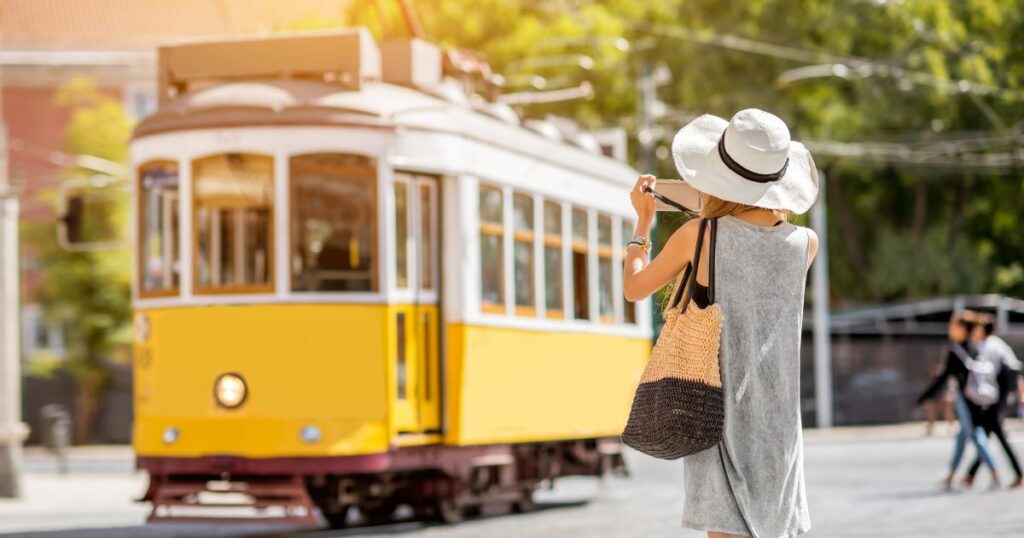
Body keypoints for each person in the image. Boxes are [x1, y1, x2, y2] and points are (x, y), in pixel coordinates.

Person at [623, 109, 820, 538]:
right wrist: (673, 193)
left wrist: (642, 224)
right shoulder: (805, 244)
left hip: (715, 412)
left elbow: (635, 287)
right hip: (779, 424)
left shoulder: (700, 235)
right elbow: (746, 214)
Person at [916, 311, 1000, 490]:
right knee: (962, 438)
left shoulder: (956, 351)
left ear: (963, 328)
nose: (950, 329)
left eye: (954, 326)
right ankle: (950, 477)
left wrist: (925, 396)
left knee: (976, 435)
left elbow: (944, 378)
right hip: (977, 398)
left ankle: (995, 472)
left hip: (965, 398)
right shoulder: (975, 347)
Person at [963, 313, 1024, 488]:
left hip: (994, 396)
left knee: (991, 431)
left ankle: (972, 473)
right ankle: (971, 474)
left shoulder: (987, 346)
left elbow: (987, 373)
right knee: (990, 432)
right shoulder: (999, 345)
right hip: (998, 395)